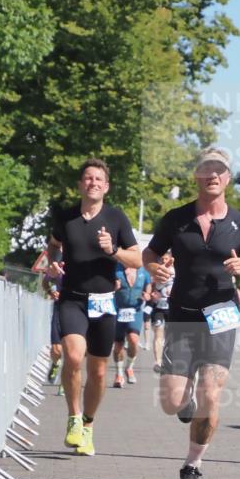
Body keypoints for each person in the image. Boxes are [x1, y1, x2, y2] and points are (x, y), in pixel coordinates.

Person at [143, 147, 240, 479]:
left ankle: (192, 465)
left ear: (228, 178)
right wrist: (154, 267)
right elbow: (150, 252)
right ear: (197, 176)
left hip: (221, 318)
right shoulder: (176, 219)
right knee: (172, 403)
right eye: (206, 169)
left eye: (220, 170)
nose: (212, 175)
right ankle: (188, 404)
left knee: (212, 393)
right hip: (182, 317)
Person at [46, 158, 141, 456]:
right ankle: (73, 418)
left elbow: (137, 259)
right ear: (80, 184)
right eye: (88, 178)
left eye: (99, 179)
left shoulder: (116, 219)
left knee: (98, 372)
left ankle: (88, 425)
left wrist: (112, 250)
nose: (93, 183)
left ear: (107, 186)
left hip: (103, 302)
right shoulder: (66, 217)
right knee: (73, 357)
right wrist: (52, 264)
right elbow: (53, 244)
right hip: (72, 298)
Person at [112, 261, 152, 387]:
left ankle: (129, 367)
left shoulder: (142, 271)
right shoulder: (115, 269)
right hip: (118, 310)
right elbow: (106, 285)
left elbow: (148, 284)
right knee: (118, 345)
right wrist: (114, 287)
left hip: (136, 311)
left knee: (133, 340)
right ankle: (118, 374)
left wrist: (148, 294)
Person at [150, 255, 174, 372]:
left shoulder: (178, 270)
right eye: (162, 259)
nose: (164, 260)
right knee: (158, 331)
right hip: (158, 306)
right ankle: (158, 362)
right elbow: (151, 285)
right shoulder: (157, 270)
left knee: (171, 335)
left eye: (166, 258)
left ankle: (168, 359)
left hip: (173, 307)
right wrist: (151, 293)